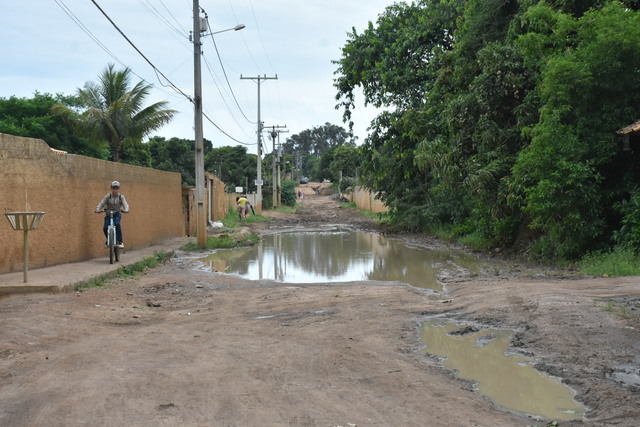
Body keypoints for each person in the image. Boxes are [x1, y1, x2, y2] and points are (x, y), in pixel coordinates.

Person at [95, 181, 129, 248]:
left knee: (117, 224)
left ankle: (120, 241)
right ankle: (109, 240)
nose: (115, 189)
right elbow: (101, 203)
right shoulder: (108, 196)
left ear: (119, 188)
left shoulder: (121, 197)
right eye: (114, 188)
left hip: (117, 214)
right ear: (111, 188)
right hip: (108, 214)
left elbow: (125, 204)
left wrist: (126, 209)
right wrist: (98, 209)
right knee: (105, 228)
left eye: (117, 188)